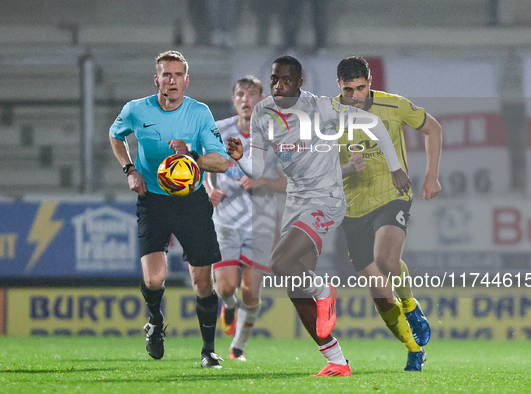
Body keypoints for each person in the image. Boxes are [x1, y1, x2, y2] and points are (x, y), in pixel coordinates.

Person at [227, 55, 411, 376]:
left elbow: (376, 125)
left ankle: (324, 290)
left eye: (286, 80)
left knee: (281, 262)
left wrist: (395, 167)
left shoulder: (323, 107)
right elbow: (255, 168)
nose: (278, 86)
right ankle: (337, 361)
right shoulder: (263, 111)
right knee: (295, 286)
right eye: (274, 79)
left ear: (301, 82)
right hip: (297, 200)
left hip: (325, 197)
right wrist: (240, 158)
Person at [108, 50, 230, 369]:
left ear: (186, 81)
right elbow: (115, 135)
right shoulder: (136, 110)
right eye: (166, 74)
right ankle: (154, 322)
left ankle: (208, 350)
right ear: (157, 79)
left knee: (203, 282)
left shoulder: (199, 113)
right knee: (154, 279)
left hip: (191, 201)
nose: (172, 80)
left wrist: (191, 155)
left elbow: (222, 161)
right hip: (153, 198)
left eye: (178, 75)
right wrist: (130, 170)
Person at [336, 55, 443, 372]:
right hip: (352, 205)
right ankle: (413, 349)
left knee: (385, 260)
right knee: (379, 292)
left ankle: (410, 305)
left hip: (392, 195)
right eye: (348, 90)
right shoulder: (327, 113)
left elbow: (433, 129)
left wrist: (431, 176)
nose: (355, 97)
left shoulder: (394, 106)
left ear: (370, 84)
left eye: (361, 88)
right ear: (338, 87)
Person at [206, 76, 287, 361]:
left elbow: (288, 183)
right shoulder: (218, 130)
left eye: (252, 95)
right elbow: (205, 165)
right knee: (227, 287)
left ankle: (237, 347)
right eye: (241, 94)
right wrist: (210, 190)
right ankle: (228, 306)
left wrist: (262, 181)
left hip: (260, 221)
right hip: (225, 218)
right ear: (234, 99)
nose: (246, 100)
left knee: (251, 291)